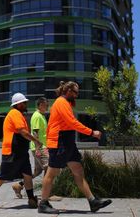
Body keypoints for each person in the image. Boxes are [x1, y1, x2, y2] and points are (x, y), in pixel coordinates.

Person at [38, 81, 112, 214]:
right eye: (76, 93)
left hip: (67, 141)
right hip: (59, 141)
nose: (77, 96)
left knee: (78, 170)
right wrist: (92, 132)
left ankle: (92, 201)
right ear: (69, 91)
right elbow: (72, 123)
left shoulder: (65, 103)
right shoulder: (61, 102)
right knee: (52, 173)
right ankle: (43, 204)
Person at [0, 93, 43, 209]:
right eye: (24, 103)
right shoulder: (14, 113)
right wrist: (36, 141)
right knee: (3, 176)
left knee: (27, 175)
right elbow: (22, 132)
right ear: (18, 104)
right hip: (12, 151)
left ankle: (31, 199)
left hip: (21, 152)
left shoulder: (19, 114)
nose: (26, 104)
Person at [12, 97, 52, 198]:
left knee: (37, 171)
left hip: (40, 147)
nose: (47, 106)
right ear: (41, 104)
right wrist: (39, 148)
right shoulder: (37, 116)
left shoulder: (41, 116)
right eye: (46, 104)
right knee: (48, 168)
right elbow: (35, 133)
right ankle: (46, 194)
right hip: (40, 147)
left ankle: (18, 185)